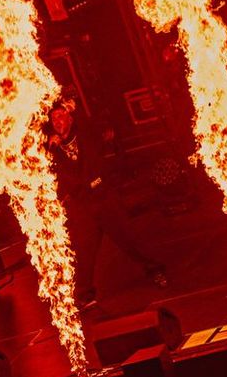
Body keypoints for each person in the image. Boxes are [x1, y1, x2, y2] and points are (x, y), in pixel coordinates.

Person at [45, 93, 168, 306]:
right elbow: (53, 174)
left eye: (61, 116)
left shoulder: (85, 135)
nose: (57, 122)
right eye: (54, 118)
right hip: (83, 205)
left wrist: (71, 105)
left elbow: (92, 127)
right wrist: (49, 150)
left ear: (70, 118)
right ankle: (85, 295)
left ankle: (156, 270)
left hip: (103, 198)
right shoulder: (53, 150)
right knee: (84, 251)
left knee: (129, 238)